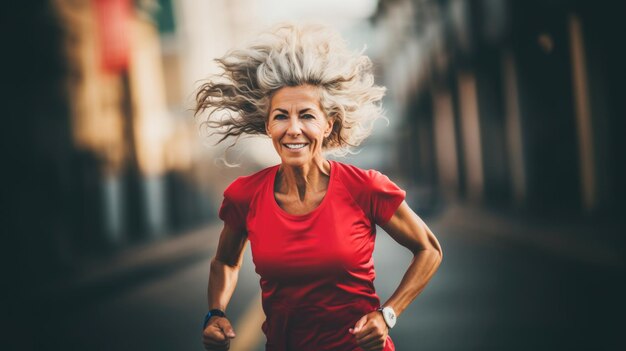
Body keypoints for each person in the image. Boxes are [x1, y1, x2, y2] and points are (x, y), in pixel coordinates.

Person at [196, 23, 443, 351]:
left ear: (328, 124)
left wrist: (388, 314)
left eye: (307, 116)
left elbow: (429, 249)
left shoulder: (364, 188)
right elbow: (225, 262)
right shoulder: (246, 196)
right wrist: (215, 313)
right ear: (268, 124)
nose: (294, 129)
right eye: (281, 116)